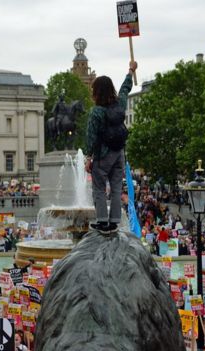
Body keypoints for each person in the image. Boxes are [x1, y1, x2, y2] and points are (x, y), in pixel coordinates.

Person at [85, 60, 137, 231]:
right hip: (119, 152)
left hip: (104, 154)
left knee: (99, 187)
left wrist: (88, 157)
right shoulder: (120, 104)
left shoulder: (97, 112)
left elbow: (91, 137)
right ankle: (114, 220)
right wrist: (130, 70)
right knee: (116, 187)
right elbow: (125, 89)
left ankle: (102, 220)